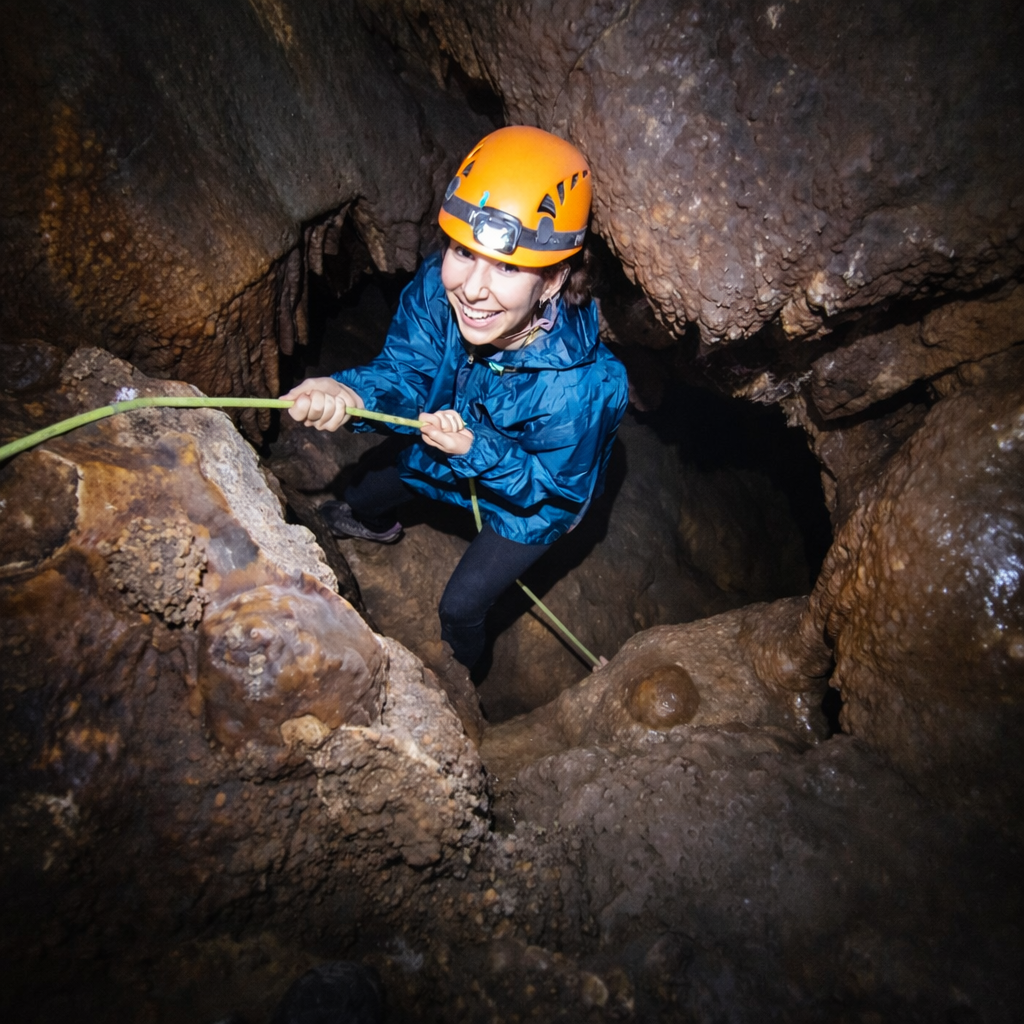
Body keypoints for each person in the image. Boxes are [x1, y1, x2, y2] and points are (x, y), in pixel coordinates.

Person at [284, 125, 628, 670]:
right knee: (365, 496)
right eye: (463, 252)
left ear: (555, 280)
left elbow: (555, 490)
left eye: (509, 267)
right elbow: (409, 371)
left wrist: (477, 451)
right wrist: (349, 390)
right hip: (449, 442)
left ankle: (462, 676)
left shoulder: (582, 388)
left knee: (460, 606)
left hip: (531, 501)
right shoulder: (436, 288)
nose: (471, 287)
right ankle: (378, 523)